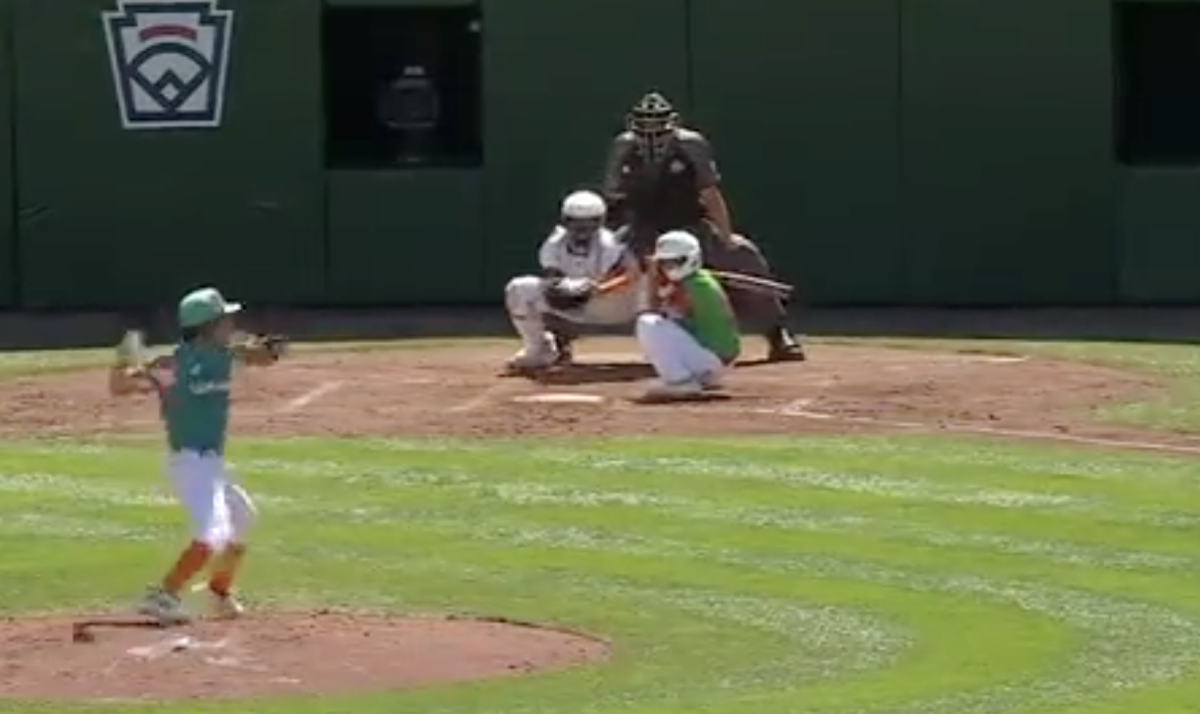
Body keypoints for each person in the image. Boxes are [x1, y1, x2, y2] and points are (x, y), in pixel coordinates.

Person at [108, 286, 285, 624]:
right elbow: (119, 387)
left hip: (213, 463)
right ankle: (164, 595)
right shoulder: (172, 365)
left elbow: (256, 354)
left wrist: (271, 350)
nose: (231, 324)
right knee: (212, 532)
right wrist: (122, 363)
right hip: (189, 463)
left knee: (242, 517)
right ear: (207, 327)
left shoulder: (224, 354)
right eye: (225, 320)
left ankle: (219, 594)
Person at [602, 91, 805, 362]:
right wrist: (612, 242)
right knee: (597, 264)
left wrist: (725, 235)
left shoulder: (691, 145)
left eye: (657, 123)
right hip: (643, 227)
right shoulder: (623, 147)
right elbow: (612, 196)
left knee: (742, 254)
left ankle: (777, 333)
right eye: (645, 123)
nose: (651, 131)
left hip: (690, 224)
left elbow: (710, 193)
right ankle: (559, 338)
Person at [503, 190, 645, 372]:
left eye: (589, 222)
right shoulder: (555, 243)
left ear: (600, 221)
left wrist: (603, 288)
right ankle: (538, 350)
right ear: (565, 220)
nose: (582, 228)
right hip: (578, 304)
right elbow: (552, 277)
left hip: (615, 304)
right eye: (576, 222)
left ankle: (665, 348)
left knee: (649, 288)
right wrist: (564, 289)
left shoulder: (612, 244)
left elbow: (632, 274)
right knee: (519, 288)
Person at [635, 230, 740, 400]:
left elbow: (653, 309)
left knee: (647, 323)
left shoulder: (693, 286)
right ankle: (693, 378)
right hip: (715, 360)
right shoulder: (697, 280)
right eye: (665, 262)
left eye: (676, 262)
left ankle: (681, 382)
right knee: (665, 323)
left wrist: (652, 276)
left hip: (711, 360)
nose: (670, 267)